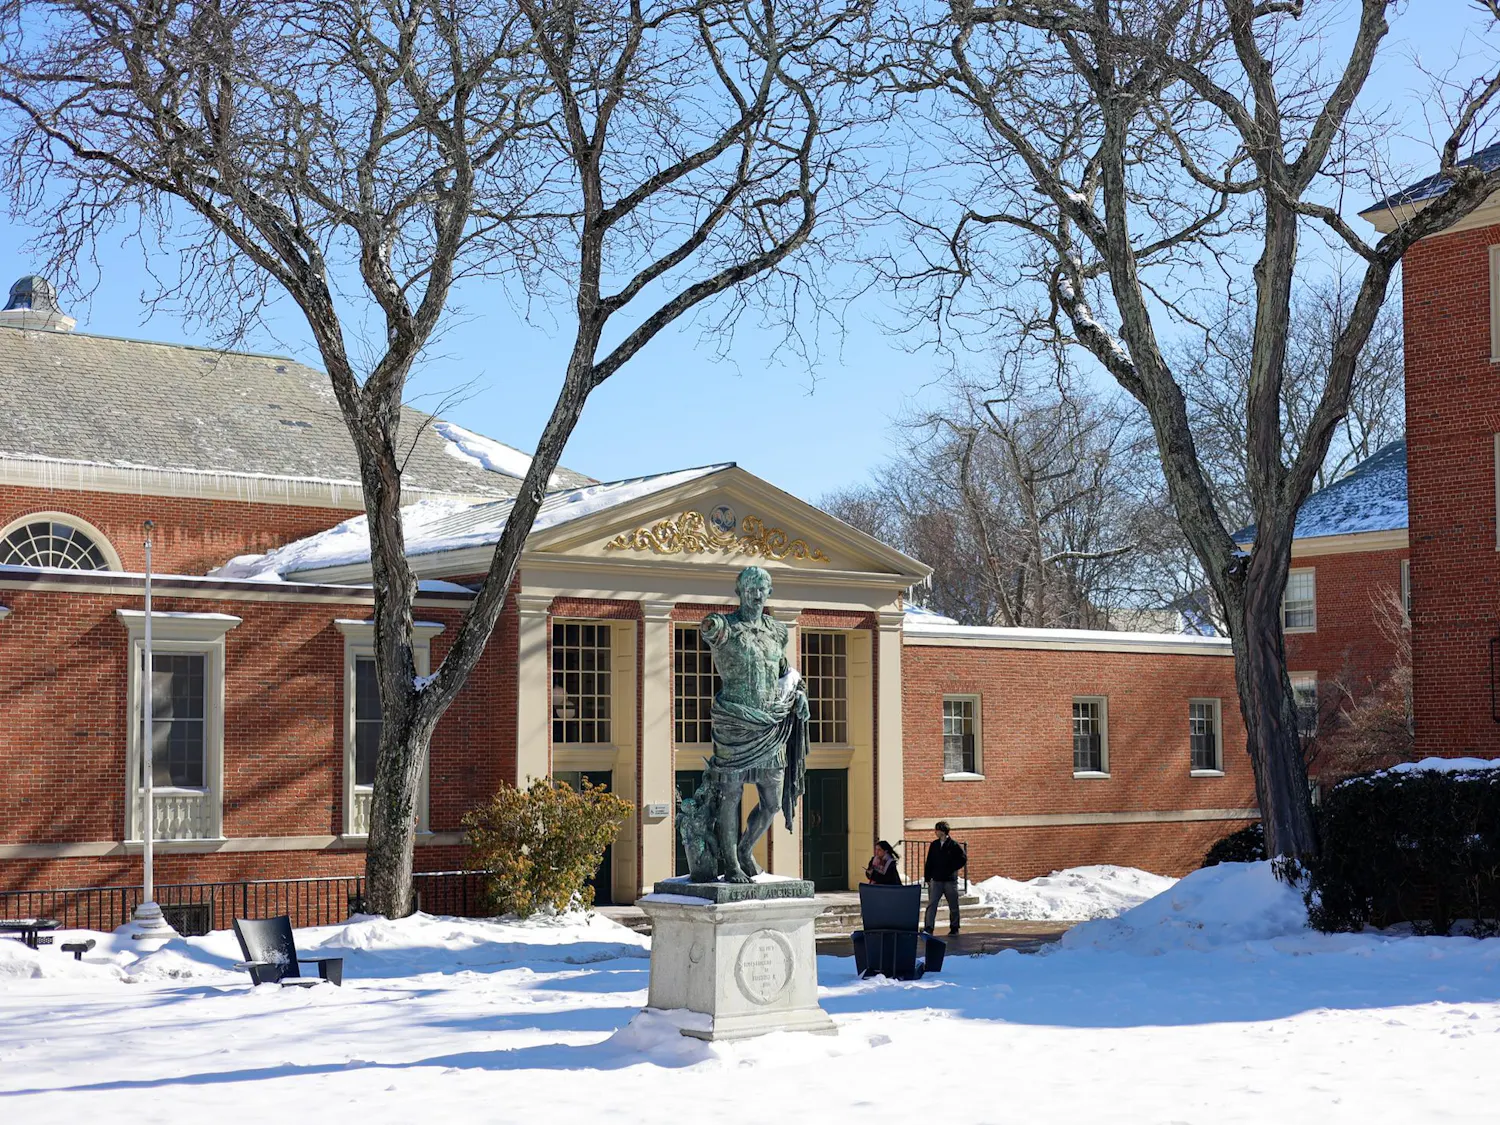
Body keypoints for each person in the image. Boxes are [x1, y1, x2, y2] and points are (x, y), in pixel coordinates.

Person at [923, 821, 965, 935]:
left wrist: (952, 868)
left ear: (942, 831)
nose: (935, 832)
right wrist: (927, 877)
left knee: (953, 904)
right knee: (932, 904)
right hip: (936, 879)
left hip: (949, 880)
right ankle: (928, 927)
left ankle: (954, 927)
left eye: (936, 830)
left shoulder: (954, 845)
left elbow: (963, 859)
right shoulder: (934, 845)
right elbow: (929, 862)